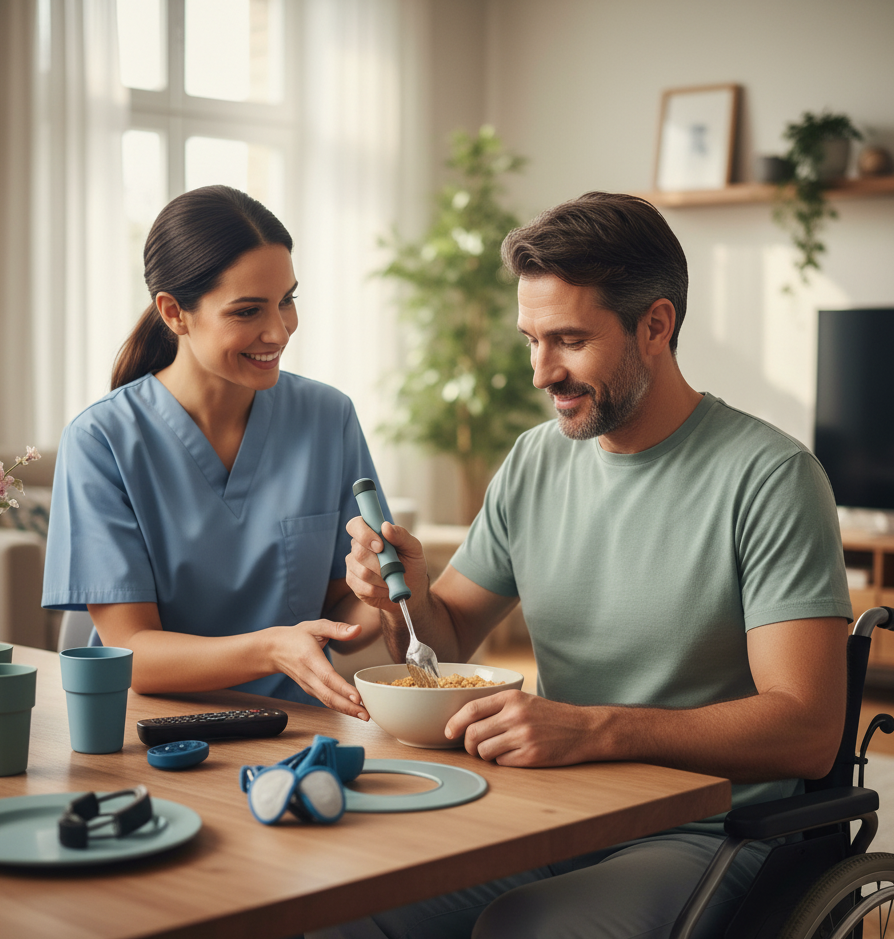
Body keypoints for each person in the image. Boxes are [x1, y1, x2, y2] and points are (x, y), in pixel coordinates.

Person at [337, 192, 853, 939]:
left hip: (716, 831)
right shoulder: (535, 460)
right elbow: (442, 644)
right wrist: (404, 595)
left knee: (525, 928)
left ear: (656, 325)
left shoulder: (770, 477)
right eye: (531, 340)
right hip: (555, 811)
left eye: (569, 340)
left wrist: (593, 729)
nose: (543, 372)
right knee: (347, 906)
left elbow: (806, 729)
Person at [42, 185, 383, 717]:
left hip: (298, 729)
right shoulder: (101, 441)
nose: (280, 330)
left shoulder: (328, 417)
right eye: (248, 311)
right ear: (175, 312)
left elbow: (344, 610)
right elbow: (131, 654)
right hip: (154, 733)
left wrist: (380, 596)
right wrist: (272, 648)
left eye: (287, 300)